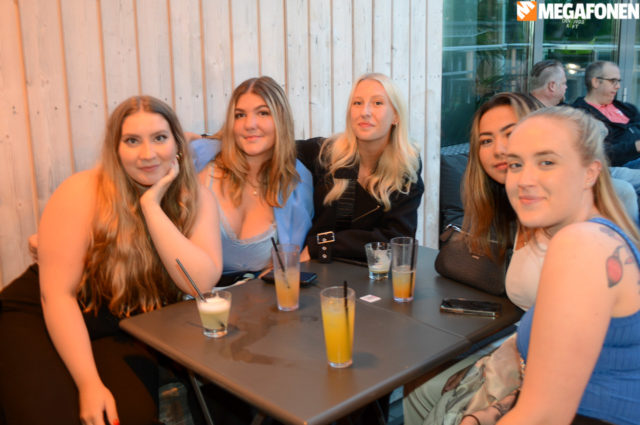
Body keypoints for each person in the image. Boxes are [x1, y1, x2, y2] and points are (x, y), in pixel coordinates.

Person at [0, 96, 223, 425]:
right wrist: (89, 384)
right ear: (115, 149)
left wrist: (152, 207)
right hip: (43, 315)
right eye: (132, 141)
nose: (147, 153)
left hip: (118, 324)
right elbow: (57, 296)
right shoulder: (83, 190)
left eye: (159, 138)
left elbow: (199, 282)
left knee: (132, 416)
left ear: (177, 142)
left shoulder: (197, 198)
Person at [403, 92, 544, 425]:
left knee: (437, 401)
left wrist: (499, 406)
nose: (497, 149)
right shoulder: (513, 207)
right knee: (418, 389)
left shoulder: (563, 215)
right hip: (521, 347)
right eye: (486, 140)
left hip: (547, 370)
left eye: (509, 133)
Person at [495, 106, 640, 425]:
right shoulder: (602, 235)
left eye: (546, 162)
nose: (524, 180)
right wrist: (493, 411)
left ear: (590, 172)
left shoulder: (582, 243)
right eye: (516, 164)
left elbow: (545, 416)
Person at [191, 76, 313, 283]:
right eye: (240, 115)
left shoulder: (298, 183)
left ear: (281, 119)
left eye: (263, 113)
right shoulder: (199, 163)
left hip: (258, 297)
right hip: (193, 295)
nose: (250, 124)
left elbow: (292, 261)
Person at [297, 73, 424, 263]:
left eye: (377, 103)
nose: (365, 112)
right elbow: (279, 148)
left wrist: (322, 244)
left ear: (396, 116)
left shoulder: (405, 169)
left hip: (369, 274)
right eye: (357, 103)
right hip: (313, 268)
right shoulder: (325, 153)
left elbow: (395, 240)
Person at [529, 59, 640, 222]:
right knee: (625, 189)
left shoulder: (562, 109)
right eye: (564, 83)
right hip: (582, 169)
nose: (567, 87)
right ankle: (629, 237)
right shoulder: (534, 113)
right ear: (552, 86)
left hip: (589, 166)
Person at [573, 61, 640, 168]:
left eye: (618, 81)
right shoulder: (581, 115)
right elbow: (597, 153)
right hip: (617, 166)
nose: (618, 86)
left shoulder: (627, 108)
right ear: (595, 82)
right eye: (613, 81)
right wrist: (635, 147)